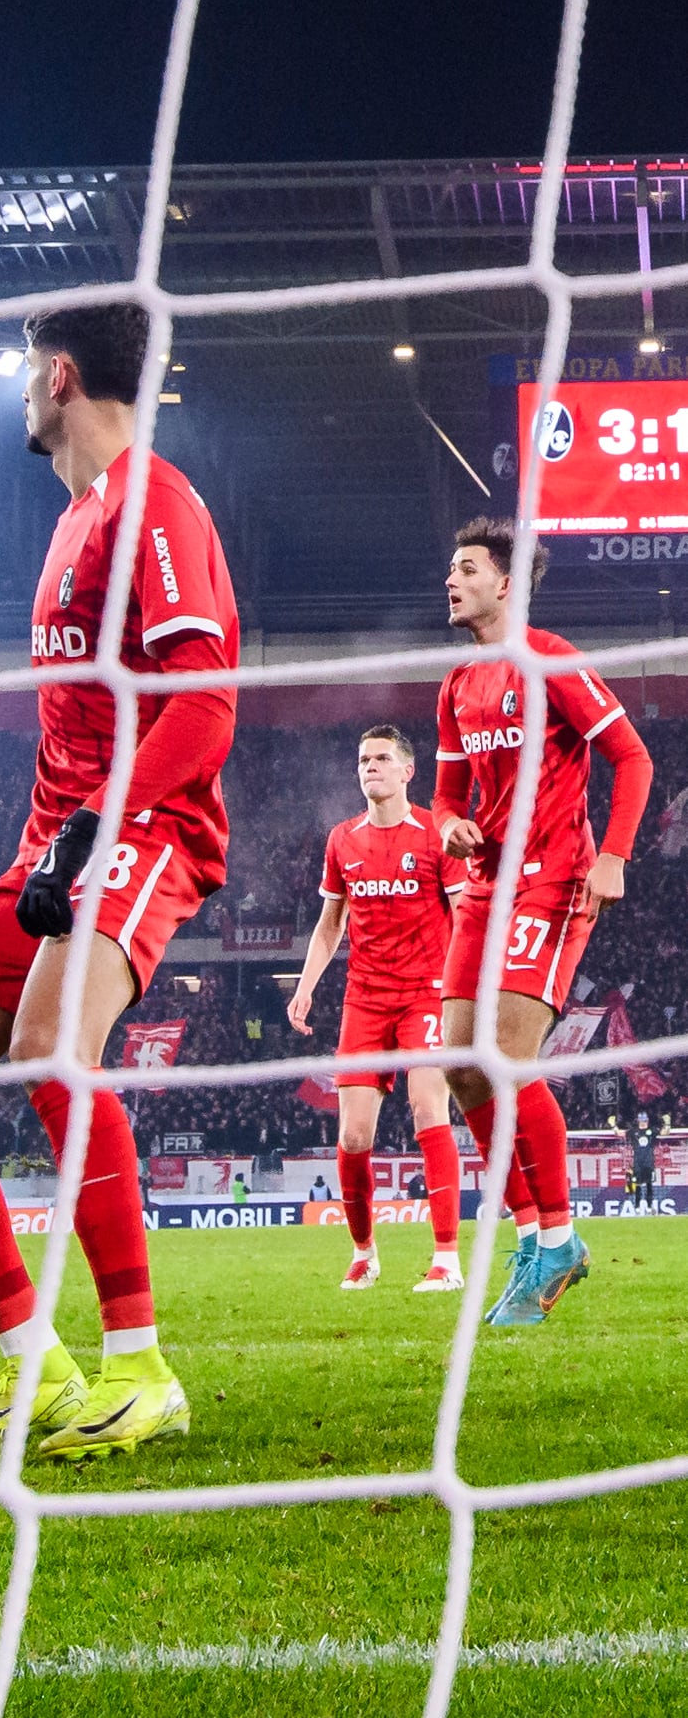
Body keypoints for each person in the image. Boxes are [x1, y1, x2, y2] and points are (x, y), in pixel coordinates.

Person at [0, 302, 235, 1461]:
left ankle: (140, 1366)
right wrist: (58, 838)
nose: (22, 391)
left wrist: (99, 823)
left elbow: (207, 701)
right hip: (53, 841)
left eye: (31, 371)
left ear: (64, 375)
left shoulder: (153, 505)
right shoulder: (77, 515)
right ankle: (37, 1364)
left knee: (47, 1050)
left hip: (144, 827)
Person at [433, 519, 652, 1326]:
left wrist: (615, 856)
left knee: (508, 1060)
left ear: (508, 581)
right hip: (485, 886)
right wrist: (447, 826)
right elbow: (448, 797)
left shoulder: (552, 660)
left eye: (465, 568)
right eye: (449, 569)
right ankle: (532, 1233)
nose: (449, 581)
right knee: (460, 1064)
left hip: (555, 879)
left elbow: (634, 756)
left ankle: (559, 1238)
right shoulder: (457, 685)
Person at [283, 726, 466, 1293]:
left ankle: (446, 1259)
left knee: (427, 1110)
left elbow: (464, 917)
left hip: (426, 992)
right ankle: (364, 1252)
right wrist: (307, 984)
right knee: (355, 1136)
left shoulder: (437, 836)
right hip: (364, 998)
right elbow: (330, 923)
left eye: (383, 759)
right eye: (364, 759)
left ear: (408, 772)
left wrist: (465, 993)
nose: (371, 767)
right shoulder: (342, 840)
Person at [632, 1115, 656, 1208]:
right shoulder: (633, 1131)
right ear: (638, 1120)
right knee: (637, 1184)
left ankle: (649, 1206)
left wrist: (667, 1124)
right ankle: (637, 1205)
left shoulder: (652, 1130)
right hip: (638, 1163)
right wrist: (613, 1126)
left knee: (649, 1184)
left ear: (647, 1120)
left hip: (649, 1163)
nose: (643, 1121)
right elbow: (620, 1133)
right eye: (641, 1120)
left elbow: (665, 1132)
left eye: (645, 1120)